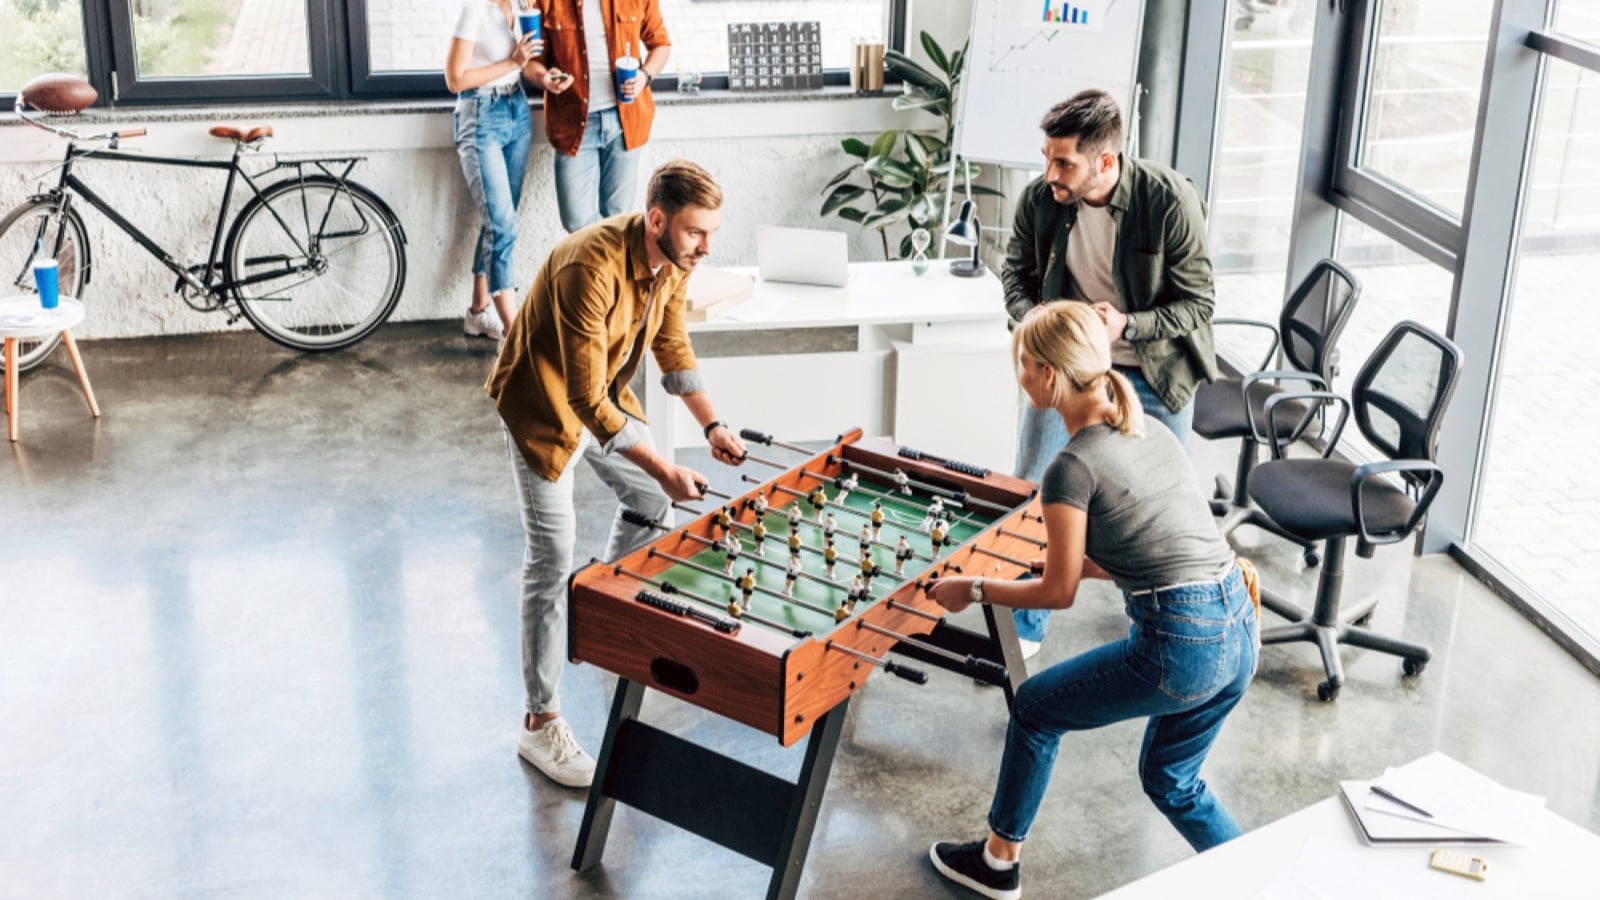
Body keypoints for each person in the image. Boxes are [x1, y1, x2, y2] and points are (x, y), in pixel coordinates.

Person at [923, 302, 1255, 900]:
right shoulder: (1146, 427)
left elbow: (1059, 593)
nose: (1019, 375)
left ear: (1048, 375)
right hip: (1238, 626)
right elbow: (1150, 547)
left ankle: (997, 864)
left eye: (1023, 363)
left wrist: (970, 589)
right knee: (1173, 782)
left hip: (1181, 646)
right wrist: (1051, 563)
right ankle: (1264, 882)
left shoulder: (1071, 467)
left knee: (1035, 708)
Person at [486, 159, 747, 788]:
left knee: (653, 507)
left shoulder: (673, 264)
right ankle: (538, 722)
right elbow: (582, 400)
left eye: (712, 232)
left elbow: (672, 347)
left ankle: (598, 614)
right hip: (546, 411)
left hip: (603, 401)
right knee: (552, 557)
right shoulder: (589, 266)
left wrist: (712, 426)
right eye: (695, 233)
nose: (707, 248)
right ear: (657, 220)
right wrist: (663, 466)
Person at [1002, 88, 1219, 655]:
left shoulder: (1168, 200)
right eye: (1047, 156)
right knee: (1032, 493)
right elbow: (1014, 275)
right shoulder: (1042, 199)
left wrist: (1125, 324)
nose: (1050, 171)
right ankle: (1024, 632)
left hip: (1156, 369)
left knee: (1162, 509)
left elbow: (1198, 304)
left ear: (1105, 161)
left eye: (1063, 161)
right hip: (1070, 370)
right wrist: (1044, 328)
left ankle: (1157, 628)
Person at [525, 0, 671, 232]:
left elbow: (661, 45)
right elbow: (531, 63)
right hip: (572, 123)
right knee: (576, 221)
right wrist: (544, 78)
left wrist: (644, 76)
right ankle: (598, 259)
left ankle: (609, 267)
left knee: (618, 216)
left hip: (625, 122)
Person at [446, 0, 542, 340]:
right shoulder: (474, 9)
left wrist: (542, 74)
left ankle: (477, 313)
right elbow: (455, 79)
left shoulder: (520, 6)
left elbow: (526, 66)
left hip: (517, 108)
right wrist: (512, 61)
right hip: (480, 115)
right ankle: (514, 333)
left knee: (500, 221)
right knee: (502, 226)